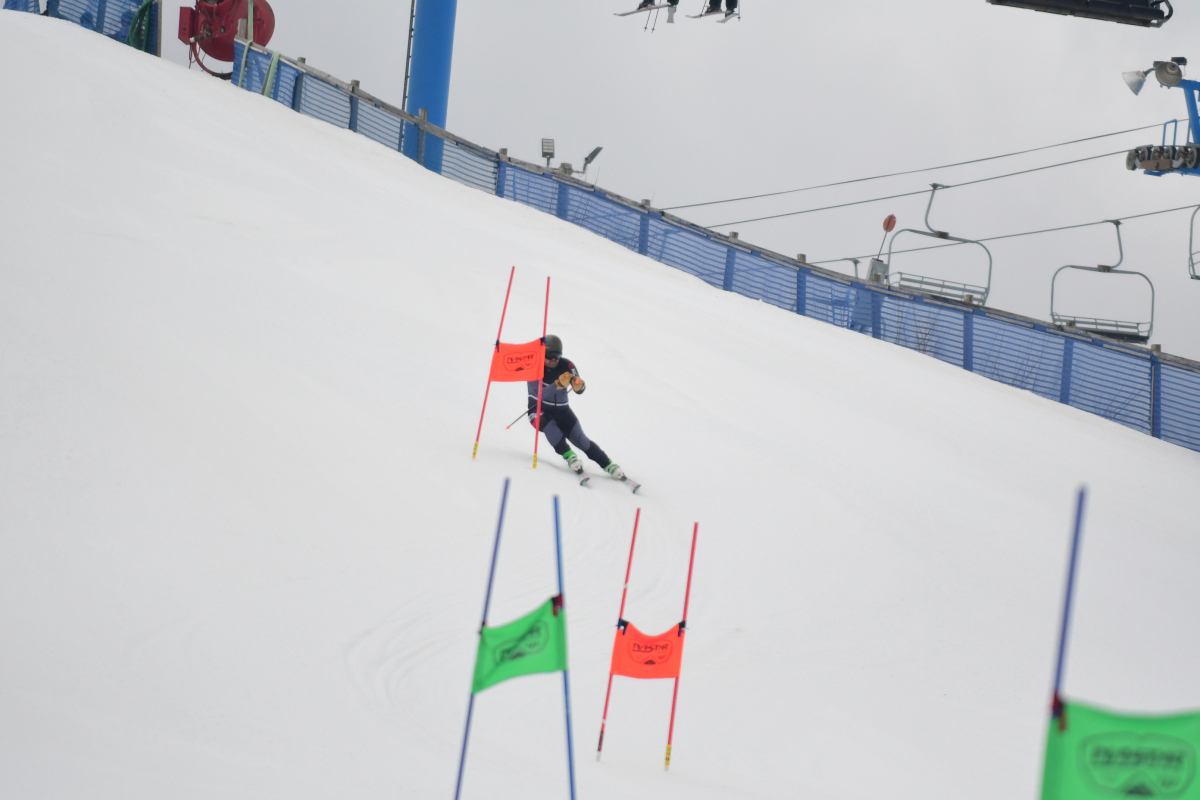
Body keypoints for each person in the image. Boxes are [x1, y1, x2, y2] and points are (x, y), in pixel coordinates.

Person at [528, 335, 625, 479]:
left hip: (562, 410)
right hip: (539, 410)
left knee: (581, 440)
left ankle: (608, 464)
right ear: (543, 354)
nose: (554, 359)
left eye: (557, 356)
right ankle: (569, 456)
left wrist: (579, 386)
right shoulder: (534, 368)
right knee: (550, 427)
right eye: (549, 356)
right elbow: (539, 394)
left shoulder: (567, 366)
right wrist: (558, 384)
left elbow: (579, 388)